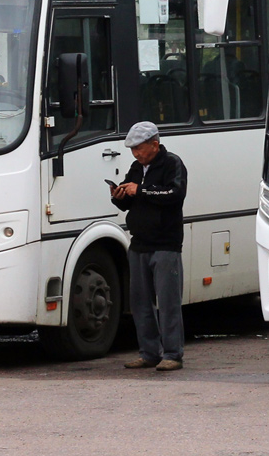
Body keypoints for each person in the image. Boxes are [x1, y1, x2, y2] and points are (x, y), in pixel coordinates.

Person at [112, 121, 188, 372]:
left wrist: (141, 190)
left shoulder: (172, 163)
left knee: (168, 302)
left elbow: (174, 195)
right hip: (139, 243)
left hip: (166, 243)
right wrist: (119, 196)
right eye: (132, 150)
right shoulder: (136, 168)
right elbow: (131, 202)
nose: (135, 154)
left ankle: (173, 354)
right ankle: (148, 353)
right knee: (141, 303)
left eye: (139, 149)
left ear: (154, 145)